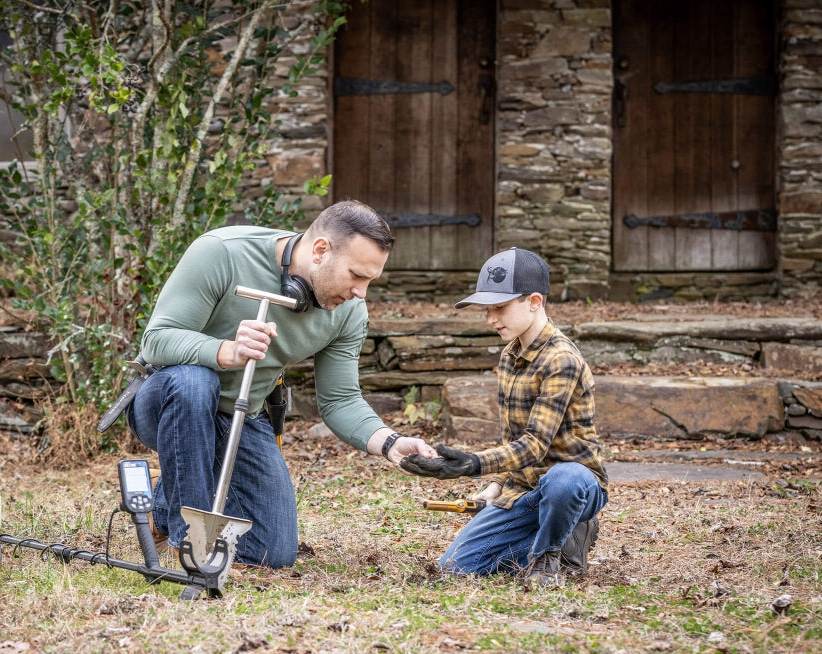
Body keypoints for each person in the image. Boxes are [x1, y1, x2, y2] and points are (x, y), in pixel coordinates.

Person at [127, 200, 436, 568]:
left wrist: (390, 442)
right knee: (196, 380)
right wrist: (226, 350)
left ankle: (162, 499)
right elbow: (157, 340)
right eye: (356, 275)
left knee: (272, 552)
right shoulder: (222, 253)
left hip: (240, 415)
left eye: (370, 280)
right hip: (168, 401)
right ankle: (192, 546)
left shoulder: (349, 311)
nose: (361, 292)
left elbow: (340, 399)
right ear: (320, 250)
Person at [400, 247, 608, 586]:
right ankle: (566, 538)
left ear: (534, 301)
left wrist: (472, 463)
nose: (490, 319)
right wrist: (496, 485)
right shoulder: (510, 355)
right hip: (524, 489)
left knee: (564, 480)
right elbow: (513, 438)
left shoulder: (562, 360)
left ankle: (547, 560)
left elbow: (535, 445)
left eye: (499, 308)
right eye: (487, 310)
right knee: (455, 567)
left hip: (575, 485)